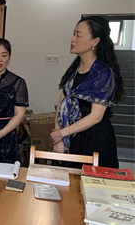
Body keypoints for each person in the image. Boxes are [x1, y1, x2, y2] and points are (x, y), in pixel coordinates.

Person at [50, 16, 124, 168]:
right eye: (73, 34)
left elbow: (96, 116)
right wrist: (58, 139)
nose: (72, 39)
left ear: (95, 41)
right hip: (68, 135)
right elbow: (61, 104)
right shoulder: (74, 69)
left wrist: (62, 134)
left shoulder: (103, 73)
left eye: (78, 35)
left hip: (93, 139)